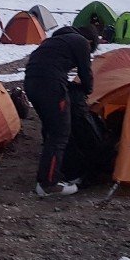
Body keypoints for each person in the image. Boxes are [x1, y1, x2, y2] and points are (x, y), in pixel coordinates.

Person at [23, 24, 99, 197]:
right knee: (60, 133)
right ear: (90, 41)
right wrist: (85, 91)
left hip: (31, 84)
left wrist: (69, 85)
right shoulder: (81, 42)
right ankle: (48, 184)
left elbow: (46, 66)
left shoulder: (54, 41)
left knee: (51, 129)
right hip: (51, 87)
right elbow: (86, 74)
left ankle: (60, 172)